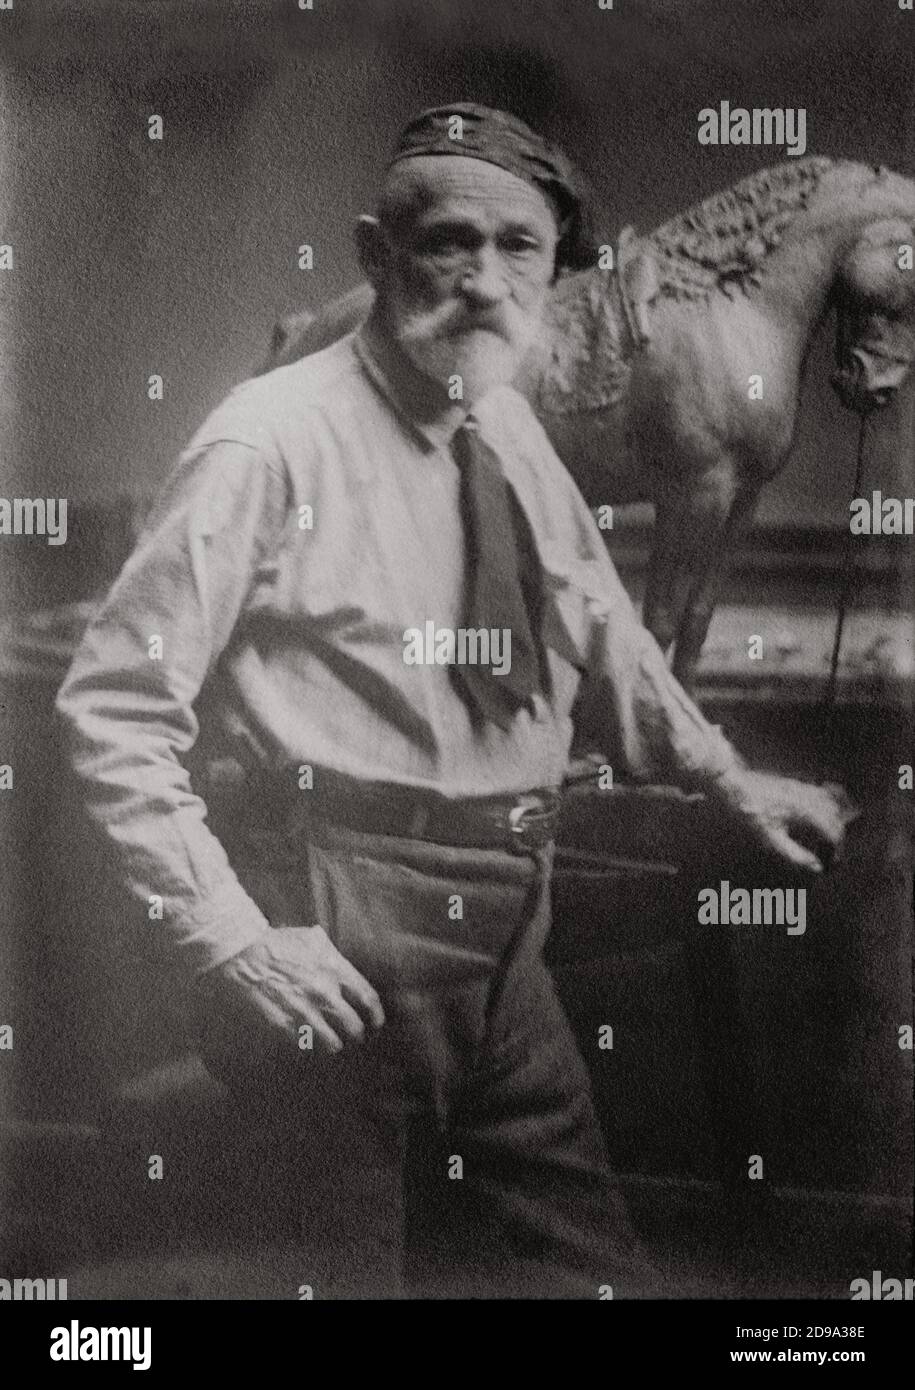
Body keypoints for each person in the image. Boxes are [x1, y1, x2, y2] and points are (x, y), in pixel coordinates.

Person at [55, 103, 849, 1298]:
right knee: (347, 1278)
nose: (485, 280)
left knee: (592, 1273)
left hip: (507, 929)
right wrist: (232, 937)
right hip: (342, 911)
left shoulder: (509, 425)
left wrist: (730, 777)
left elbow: (602, 628)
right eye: (448, 244)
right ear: (378, 254)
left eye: (518, 248)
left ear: (555, 267)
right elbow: (114, 702)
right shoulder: (269, 443)